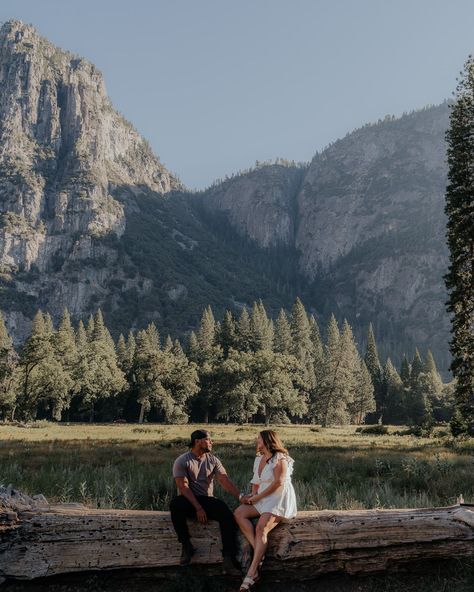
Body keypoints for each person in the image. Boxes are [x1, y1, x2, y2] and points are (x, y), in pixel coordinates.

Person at [170, 429, 244, 572]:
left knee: (227, 515)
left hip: (207, 499)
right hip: (188, 500)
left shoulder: (213, 460)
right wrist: (198, 508)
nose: (211, 442)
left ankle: (228, 559)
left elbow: (224, 480)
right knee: (175, 504)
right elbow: (183, 487)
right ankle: (186, 546)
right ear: (197, 442)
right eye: (208, 439)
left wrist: (240, 496)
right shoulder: (182, 460)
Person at [234, 430, 297, 591]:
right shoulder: (258, 459)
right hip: (262, 497)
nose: (257, 440)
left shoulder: (280, 459)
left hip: (278, 497)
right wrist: (252, 495)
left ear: (268, 441)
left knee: (261, 527)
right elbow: (256, 481)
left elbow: (278, 483)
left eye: (259, 438)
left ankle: (252, 572)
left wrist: (257, 498)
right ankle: (258, 550)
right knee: (239, 513)